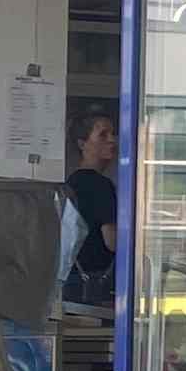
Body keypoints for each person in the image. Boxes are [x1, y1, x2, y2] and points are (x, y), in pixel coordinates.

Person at [60, 108, 120, 308]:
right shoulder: (101, 186)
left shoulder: (70, 183)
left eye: (113, 134)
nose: (112, 140)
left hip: (70, 278)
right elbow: (112, 241)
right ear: (82, 144)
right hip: (95, 282)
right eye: (102, 135)